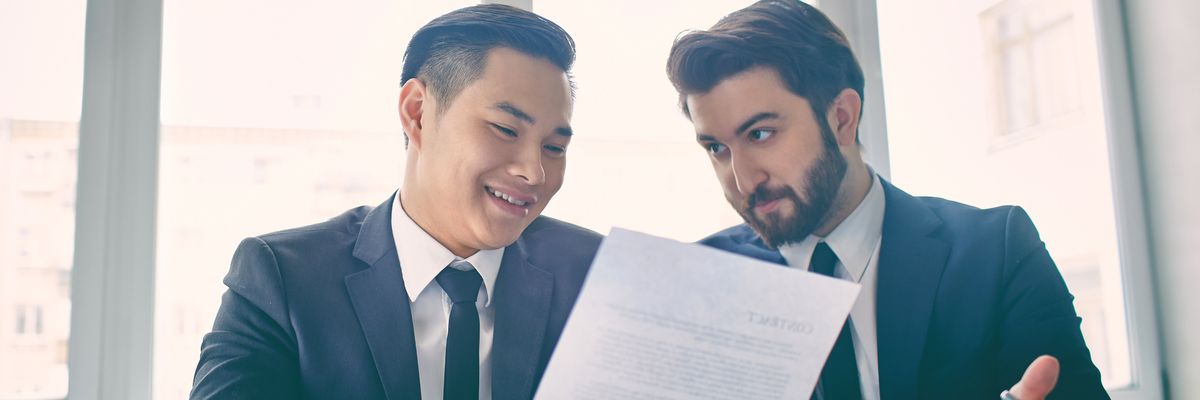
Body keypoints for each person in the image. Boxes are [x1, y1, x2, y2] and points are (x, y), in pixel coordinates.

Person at [665, 1, 1108, 399]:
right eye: (716, 148)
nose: (742, 180)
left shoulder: (996, 252)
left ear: (841, 118)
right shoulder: (703, 283)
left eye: (760, 134)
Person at [190, 4, 599, 399]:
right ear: (417, 113)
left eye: (553, 147)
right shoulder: (282, 280)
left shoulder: (594, 276)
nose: (534, 172)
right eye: (505, 129)